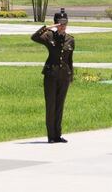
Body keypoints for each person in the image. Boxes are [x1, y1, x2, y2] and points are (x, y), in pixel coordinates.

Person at [31, 8, 74, 143]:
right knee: (51, 105)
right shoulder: (49, 36)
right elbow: (34, 37)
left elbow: (70, 59)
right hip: (51, 75)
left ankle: (58, 135)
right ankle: (51, 136)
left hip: (64, 76)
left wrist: (71, 75)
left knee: (60, 105)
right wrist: (48, 27)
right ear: (56, 24)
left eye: (64, 24)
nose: (63, 26)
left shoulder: (70, 39)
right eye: (60, 24)